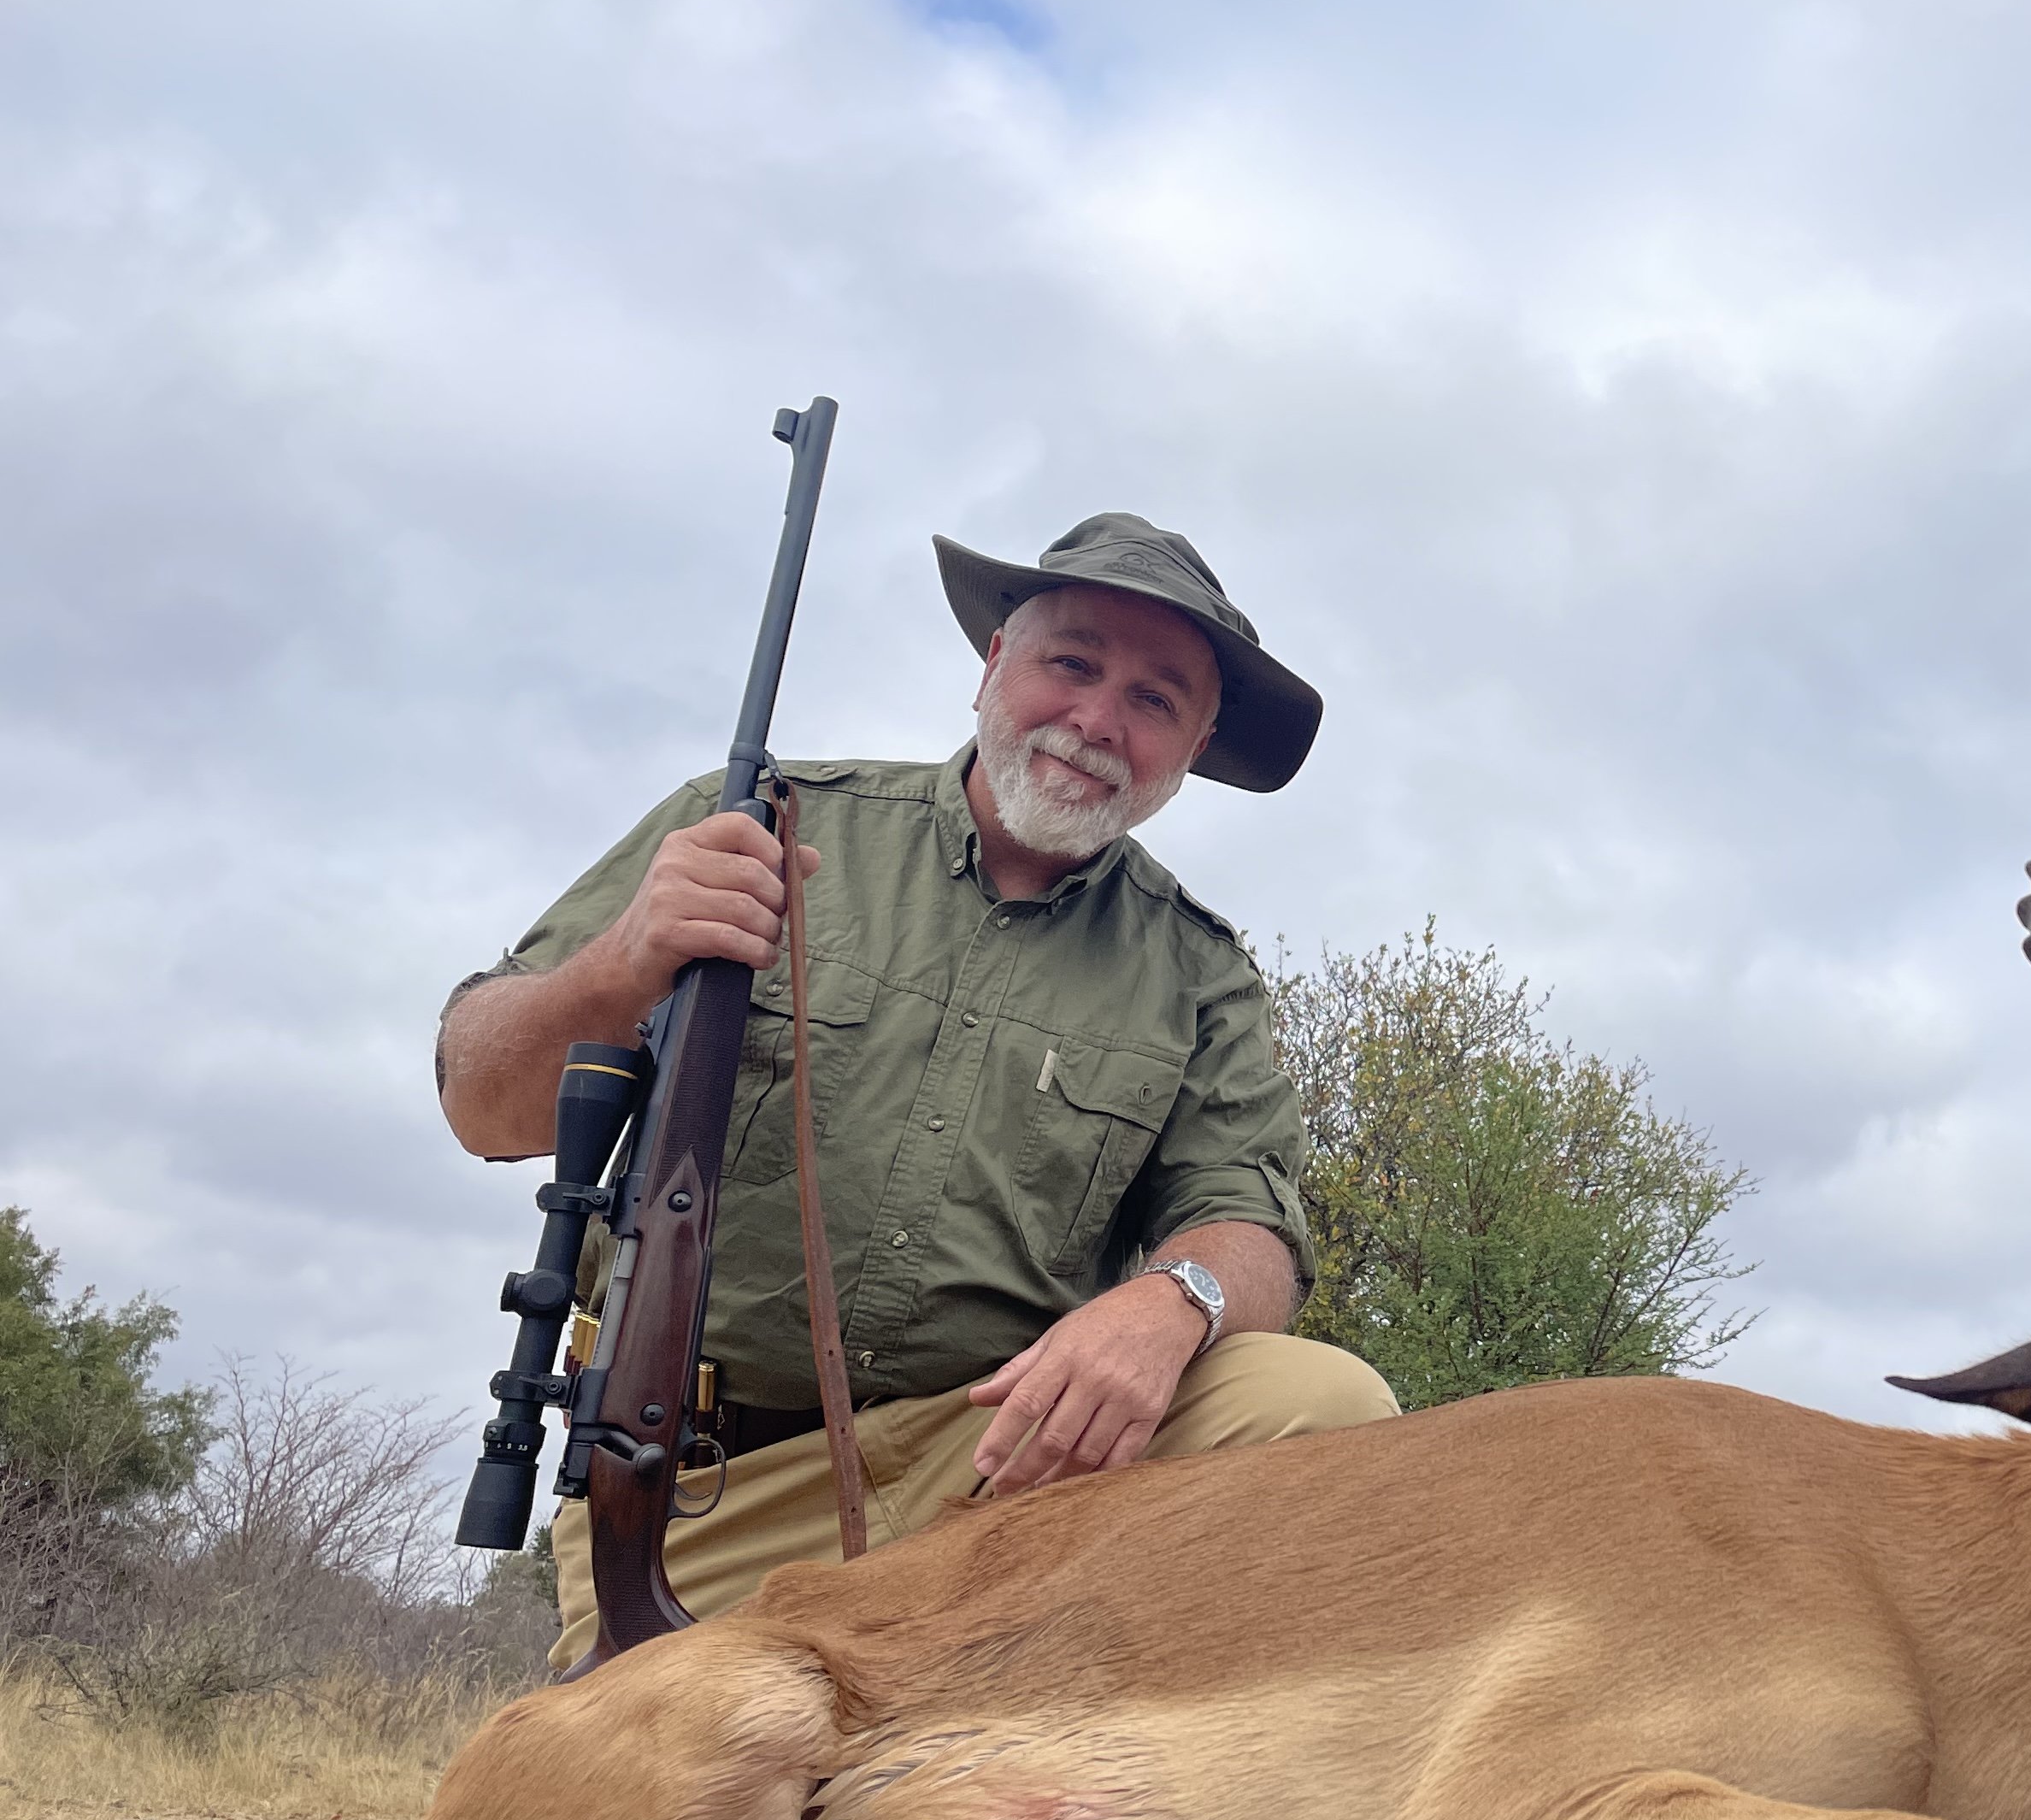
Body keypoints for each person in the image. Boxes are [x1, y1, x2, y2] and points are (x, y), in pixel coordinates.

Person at [437, 515, 1398, 1664]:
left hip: (1011, 1476)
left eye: (1154, 701)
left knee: (1325, 1406)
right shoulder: (754, 819)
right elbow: (478, 1102)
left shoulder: (1202, 972)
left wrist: (1169, 1302)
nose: (1096, 723)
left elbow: (1250, 1227)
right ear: (994, 665)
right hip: (705, 1483)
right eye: (1073, 663)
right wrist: (625, 960)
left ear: (1193, 745)